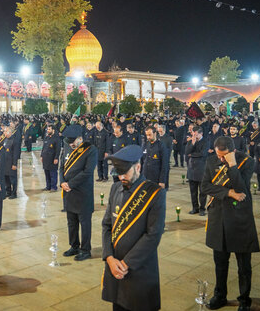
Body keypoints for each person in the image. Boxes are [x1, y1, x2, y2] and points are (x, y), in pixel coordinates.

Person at [101, 145, 166, 311]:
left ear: (138, 167)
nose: (121, 177)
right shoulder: (115, 188)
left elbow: (153, 235)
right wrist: (109, 258)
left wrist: (125, 264)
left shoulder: (154, 193)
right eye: (118, 173)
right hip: (114, 267)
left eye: (125, 172)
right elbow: (107, 225)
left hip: (139, 270)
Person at [201, 136, 259, 311]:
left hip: (239, 217)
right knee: (220, 261)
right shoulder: (211, 160)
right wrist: (227, 193)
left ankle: (244, 300)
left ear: (233, 151)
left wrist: (233, 165)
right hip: (218, 216)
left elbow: (241, 188)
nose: (220, 159)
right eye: (218, 155)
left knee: (244, 265)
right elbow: (205, 187)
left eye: (224, 155)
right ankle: (220, 295)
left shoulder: (247, 162)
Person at [59, 124, 97, 261]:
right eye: (69, 142)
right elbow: (61, 167)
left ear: (80, 138)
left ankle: (86, 250)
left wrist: (70, 184)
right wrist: (62, 182)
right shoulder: (68, 147)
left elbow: (87, 172)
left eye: (73, 141)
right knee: (71, 222)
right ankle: (74, 246)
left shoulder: (90, 150)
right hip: (69, 192)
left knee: (85, 223)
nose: (71, 144)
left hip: (82, 193)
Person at [186, 126, 208, 215]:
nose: (194, 136)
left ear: (201, 133)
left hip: (201, 169)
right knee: (193, 191)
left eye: (196, 134)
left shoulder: (205, 141)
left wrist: (192, 155)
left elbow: (203, 154)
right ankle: (195, 208)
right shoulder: (191, 141)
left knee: (202, 192)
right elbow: (187, 152)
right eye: (193, 134)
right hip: (191, 169)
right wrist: (192, 143)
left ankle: (202, 208)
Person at [41, 123, 62, 191]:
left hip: (52, 159)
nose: (47, 130)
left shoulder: (56, 138)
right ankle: (48, 186)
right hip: (45, 158)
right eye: (47, 129)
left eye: (49, 129)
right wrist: (41, 156)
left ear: (53, 130)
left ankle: (53, 187)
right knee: (47, 173)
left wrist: (56, 158)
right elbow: (43, 147)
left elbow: (58, 149)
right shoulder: (46, 137)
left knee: (53, 173)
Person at [2, 124, 20, 199]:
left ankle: (14, 193)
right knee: (6, 179)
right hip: (5, 164)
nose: (4, 133)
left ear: (10, 132)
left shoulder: (14, 141)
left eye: (6, 131)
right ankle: (8, 191)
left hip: (11, 163)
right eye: (4, 131)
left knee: (13, 179)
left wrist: (14, 164)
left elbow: (15, 154)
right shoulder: (5, 140)